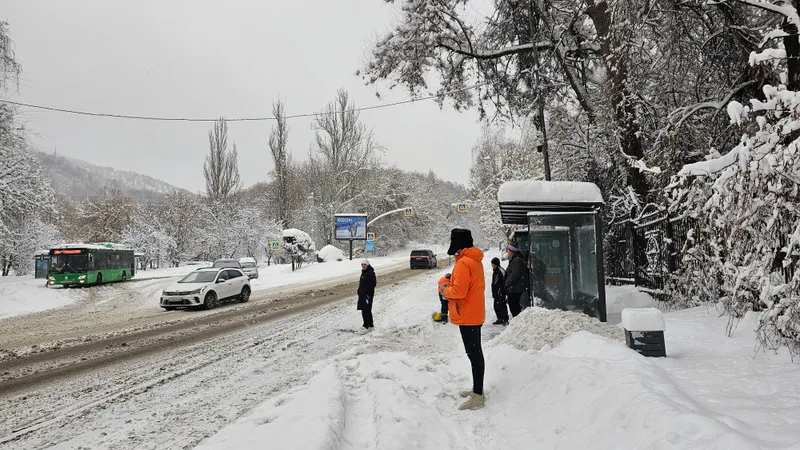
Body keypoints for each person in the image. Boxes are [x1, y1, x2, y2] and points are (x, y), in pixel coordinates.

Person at [440, 228, 486, 410]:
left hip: (467, 315)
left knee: (474, 355)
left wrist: (445, 290)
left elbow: (459, 291)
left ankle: (478, 395)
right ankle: (477, 389)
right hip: (474, 313)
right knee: (476, 354)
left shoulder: (463, 263)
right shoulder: (475, 261)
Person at [505, 243, 530, 318]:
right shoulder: (516, 259)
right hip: (515, 287)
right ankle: (516, 319)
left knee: (513, 304)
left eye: (508, 250)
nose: (507, 252)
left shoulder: (517, 260)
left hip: (516, 288)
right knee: (513, 304)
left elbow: (515, 274)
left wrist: (507, 283)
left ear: (512, 251)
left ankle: (517, 319)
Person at [357, 258, 376, 329]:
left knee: (366, 310)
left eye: (365, 264)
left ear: (367, 265)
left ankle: (366, 325)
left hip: (367, 296)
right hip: (362, 295)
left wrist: (368, 295)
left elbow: (372, 285)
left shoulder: (370, 273)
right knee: (365, 310)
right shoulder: (364, 272)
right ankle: (370, 325)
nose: (363, 266)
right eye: (362, 265)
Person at [490, 257, 509, 325]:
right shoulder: (496, 271)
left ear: (495, 264)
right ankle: (500, 318)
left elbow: (498, 283)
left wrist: (499, 291)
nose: (492, 265)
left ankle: (504, 318)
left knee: (501, 305)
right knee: (497, 305)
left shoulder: (499, 271)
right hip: (497, 291)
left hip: (500, 291)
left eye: (492, 264)